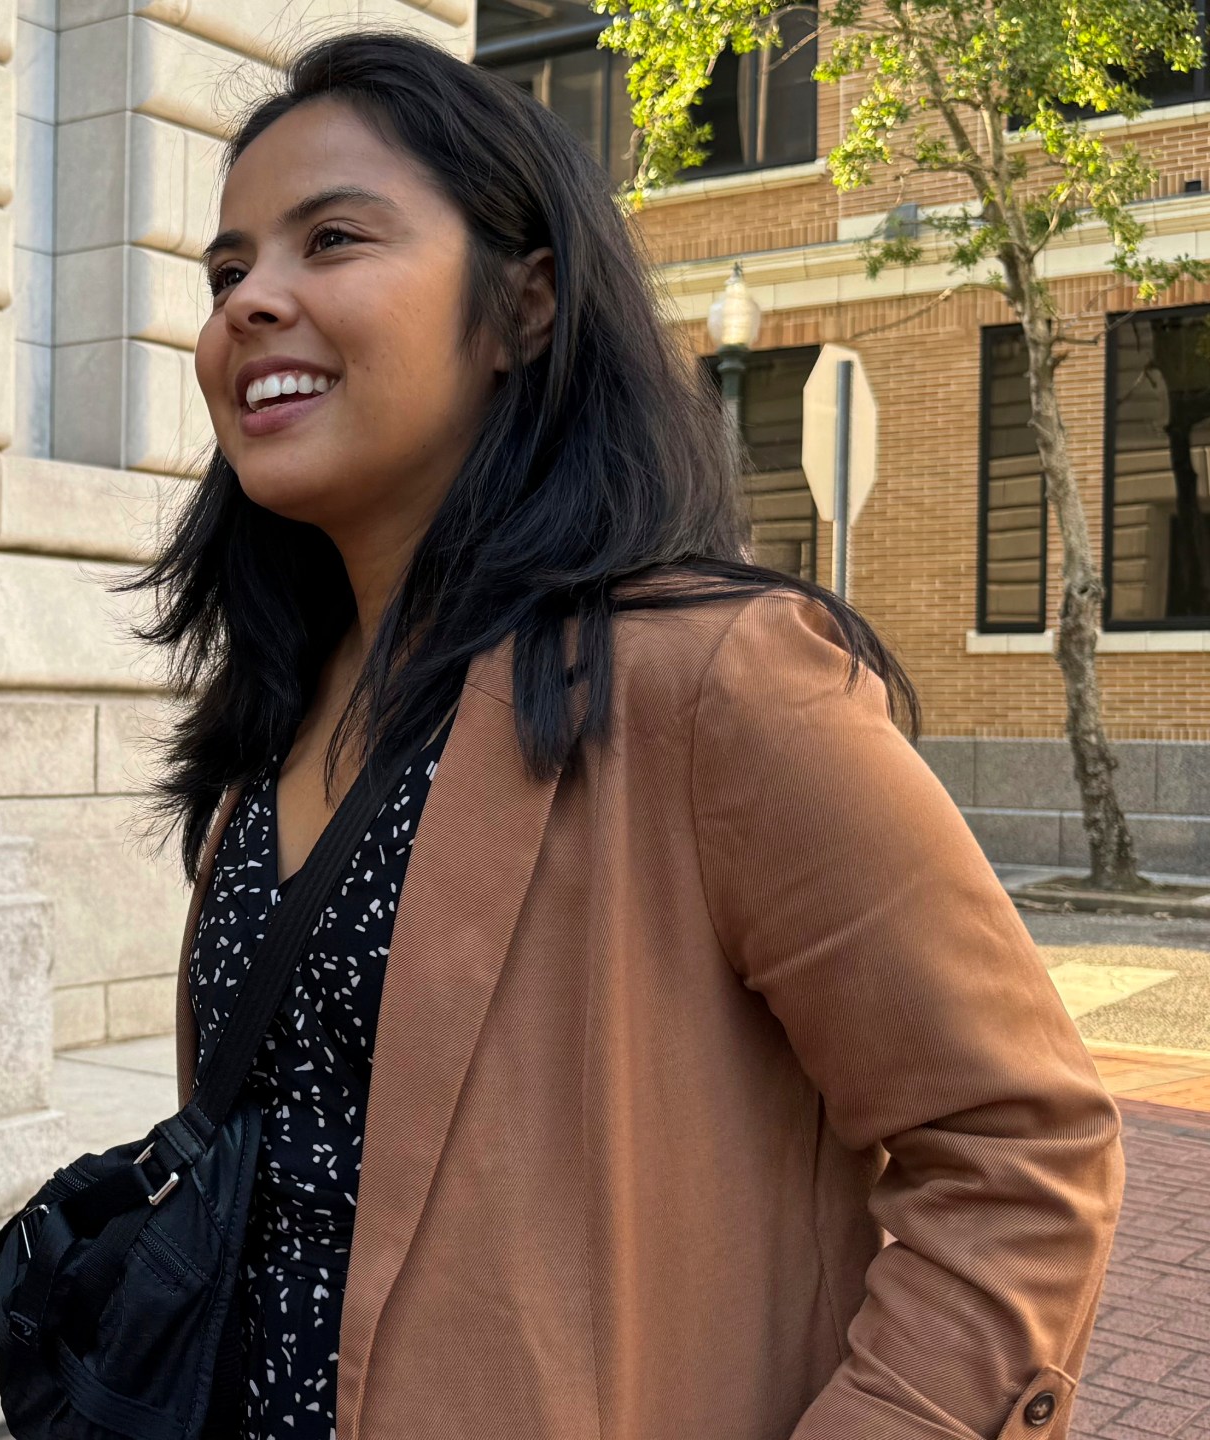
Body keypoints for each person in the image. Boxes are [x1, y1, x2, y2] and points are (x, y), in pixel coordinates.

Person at [140, 31, 1123, 1439]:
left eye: (332, 239)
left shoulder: (714, 685)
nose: (251, 304)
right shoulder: (277, 721)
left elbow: (1022, 1150)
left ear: (522, 306)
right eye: (228, 271)